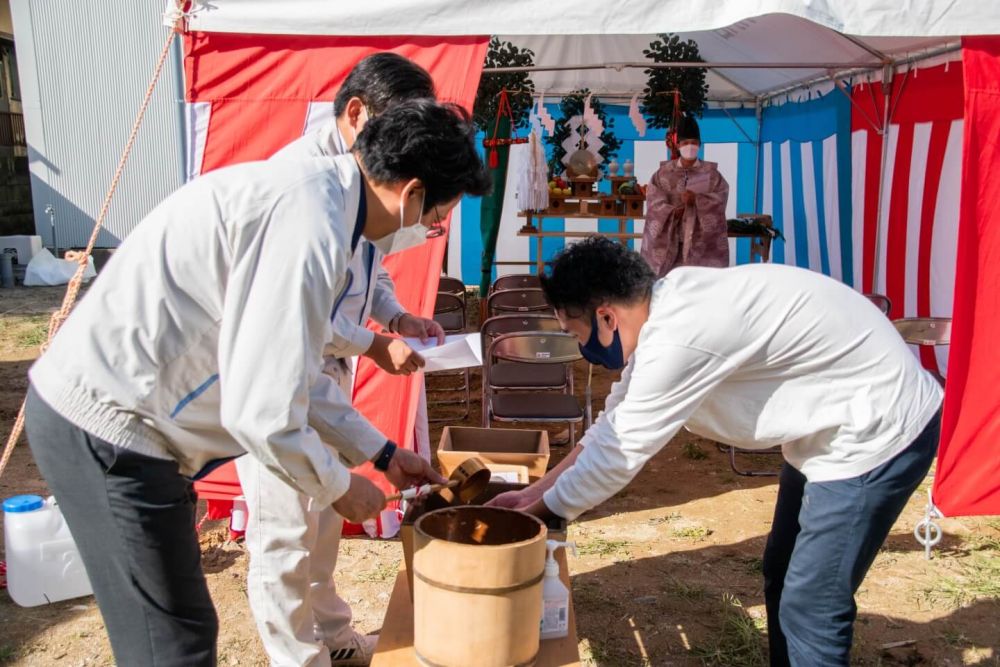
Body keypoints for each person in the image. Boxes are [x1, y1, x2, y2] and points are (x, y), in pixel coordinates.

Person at [24, 98, 491, 667]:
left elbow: (294, 372)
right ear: (411, 192)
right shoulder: (309, 224)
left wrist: (384, 453)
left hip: (133, 430)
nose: (427, 228)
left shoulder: (324, 205)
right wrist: (341, 487)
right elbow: (263, 411)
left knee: (184, 627)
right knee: (170, 643)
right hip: (110, 429)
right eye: (434, 216)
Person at [490, 237, 943, 666]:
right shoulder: (667, 308)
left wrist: (542, 512)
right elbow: (612, 426)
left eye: (575, 332)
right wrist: (535, 493)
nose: (581, 347)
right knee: (782, 571)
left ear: (607, 318)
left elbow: (619, 454)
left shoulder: (678, 337)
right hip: (831, 426)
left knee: (812, 604)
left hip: (876, 431)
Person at [237, 53, 442, 667]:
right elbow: (296, 316)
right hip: (272, 371)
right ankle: (298, 658)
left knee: (322, 521)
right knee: (284, 532)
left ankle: (334, 638)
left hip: (323, 369)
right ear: (357, 114)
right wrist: (376, 344)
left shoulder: (365, 177)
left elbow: (369, 265)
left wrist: (394, 315)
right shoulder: (299, 185)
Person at [641, 114, 730, 277]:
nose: (690, 146)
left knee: (698, 282)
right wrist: (672, 211)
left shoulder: (712, 174)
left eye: (694, 143)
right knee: (669, 281)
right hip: (670, 236)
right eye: (686, 142)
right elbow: (654, 201)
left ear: (700, 144)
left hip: (701, 239)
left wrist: (697, 200)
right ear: (678, 145)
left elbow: (720, 198)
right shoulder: (663, 174)